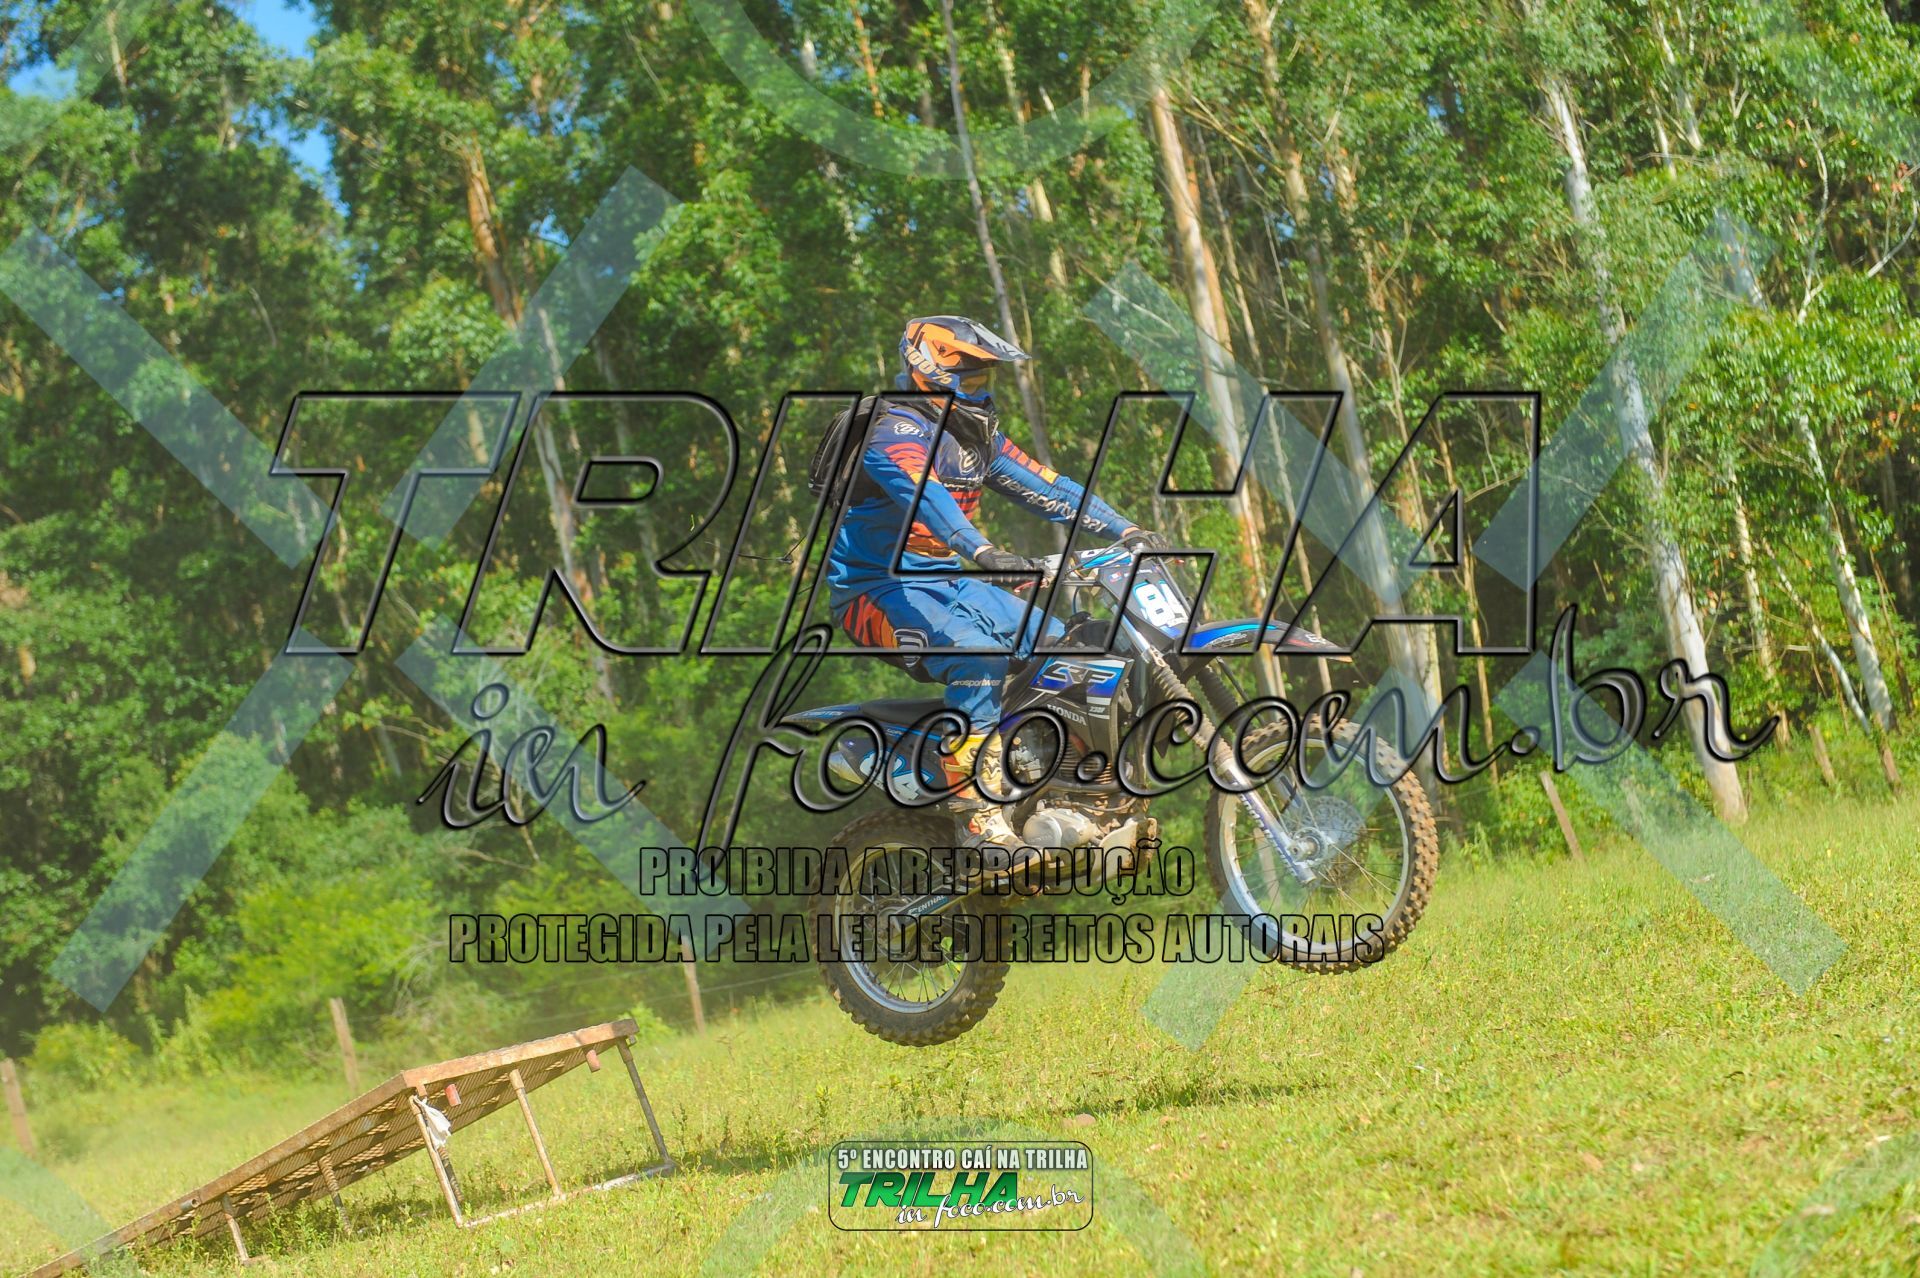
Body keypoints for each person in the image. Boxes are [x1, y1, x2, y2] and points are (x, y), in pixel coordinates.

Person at [826, 315, 1163, 868]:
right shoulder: (891, 431)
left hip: (948, 582)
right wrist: (982, 551)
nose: (981, 385)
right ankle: (976, 819)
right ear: (931, 369)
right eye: (971, 374)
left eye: (985, 375)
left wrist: (1126, 529)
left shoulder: (975, 435)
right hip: (875, 590)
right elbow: (925, 497)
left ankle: (1061, 789)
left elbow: (1048, 487)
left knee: (1070, 654)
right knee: (978, 654)